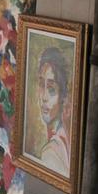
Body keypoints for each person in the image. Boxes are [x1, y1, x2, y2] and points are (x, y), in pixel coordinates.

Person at [32, 46, 71, 175]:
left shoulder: (51, 152)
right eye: (41, 85)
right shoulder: (61, 138)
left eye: (51, 89)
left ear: (63, 96)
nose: (43, 97)